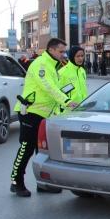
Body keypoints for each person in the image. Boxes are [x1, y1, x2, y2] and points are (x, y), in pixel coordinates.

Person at [10, 38, 78, 197]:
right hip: (31, 112)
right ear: (51, 50)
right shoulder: (41, 64)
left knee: (41, 151)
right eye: (61, 51)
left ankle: (42, 184)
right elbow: (48, 87)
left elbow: (56, 88)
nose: (63, 55)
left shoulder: (53, 65)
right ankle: (16, 182)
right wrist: (66, 101)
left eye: (64, 52)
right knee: (26, 148)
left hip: (45, 115)